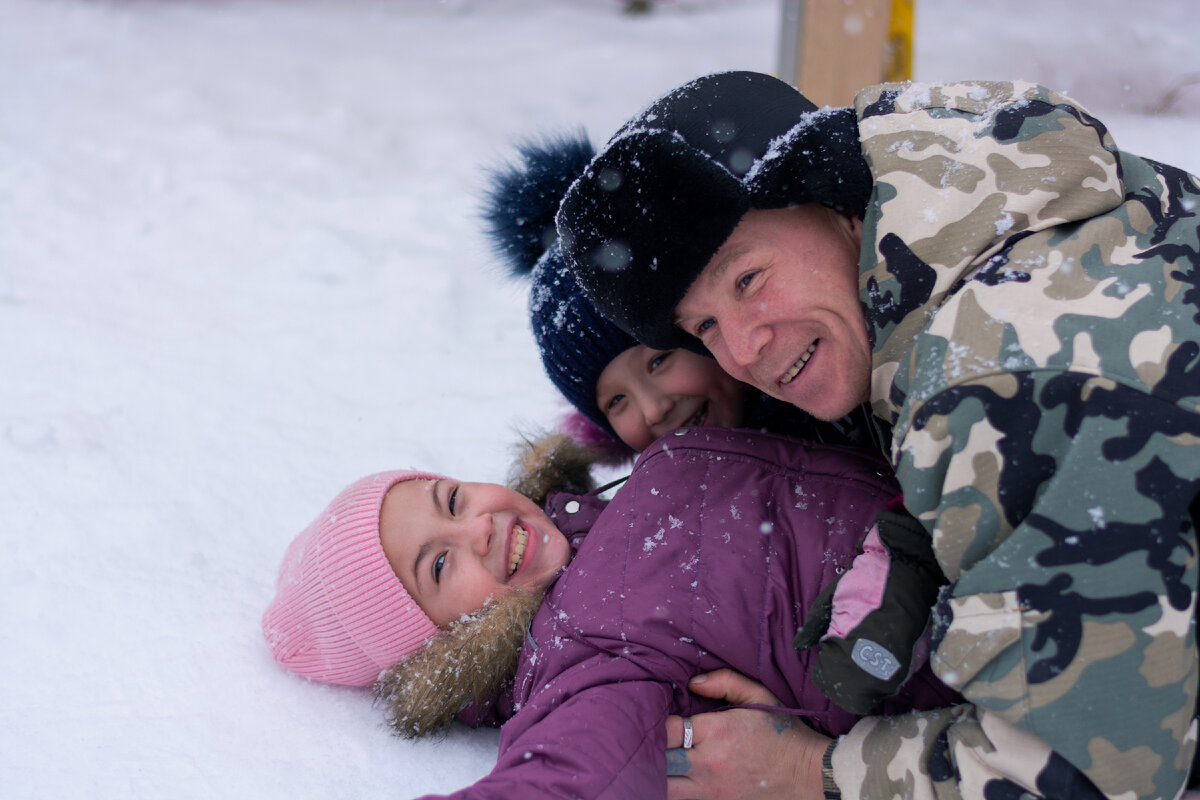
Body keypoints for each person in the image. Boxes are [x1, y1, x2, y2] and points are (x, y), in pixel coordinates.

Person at [556, 70, 1200, 799]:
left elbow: (1098, 769)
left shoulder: (986, 385)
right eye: (703, 326)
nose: (742, 349)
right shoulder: (989, 191)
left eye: (747, 281)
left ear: (838, 205)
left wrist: (811, 771)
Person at [262, 426, 962, 799]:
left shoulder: (611, 502)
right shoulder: (577, 664)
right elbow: (571, 780)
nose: (474, 527)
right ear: (440, 647)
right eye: (439, 567)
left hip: (968, 513)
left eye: (451, 500)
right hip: (969, 666)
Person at [480, 132, 890, 460]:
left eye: (658, 361)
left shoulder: (830, 382)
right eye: (615, 402)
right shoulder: (669, 500)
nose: (652, 410)